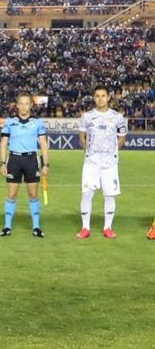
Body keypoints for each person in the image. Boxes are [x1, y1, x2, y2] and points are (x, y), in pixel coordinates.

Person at [77, 85, 127, 239]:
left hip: (109, 164)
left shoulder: (118, 117)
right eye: (97, 96)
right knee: (87, 194)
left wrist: (111, 152)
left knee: (110, 195)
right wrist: (90, 152)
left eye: (103, 96)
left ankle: (108, 227)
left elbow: (122, 138)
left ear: (108, 97)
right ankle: (85, 228)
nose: (100, 98)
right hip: (91, 163)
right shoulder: (86, 117)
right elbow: (81, 138)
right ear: (94, 98)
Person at [0, 93, 49, 237]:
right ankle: (7, 226)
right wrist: (3, 163)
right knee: (12, 194)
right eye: (21, 103)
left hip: (31, 160)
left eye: (27, 103)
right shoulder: (9, 122)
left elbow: (44, 144)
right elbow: (3, 143)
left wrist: (46, 164)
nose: (24, 106)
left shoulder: (37, 123)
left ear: (31, 106)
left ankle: (36, 227)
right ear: (17, 105)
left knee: (33, 194)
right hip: (14, 159)